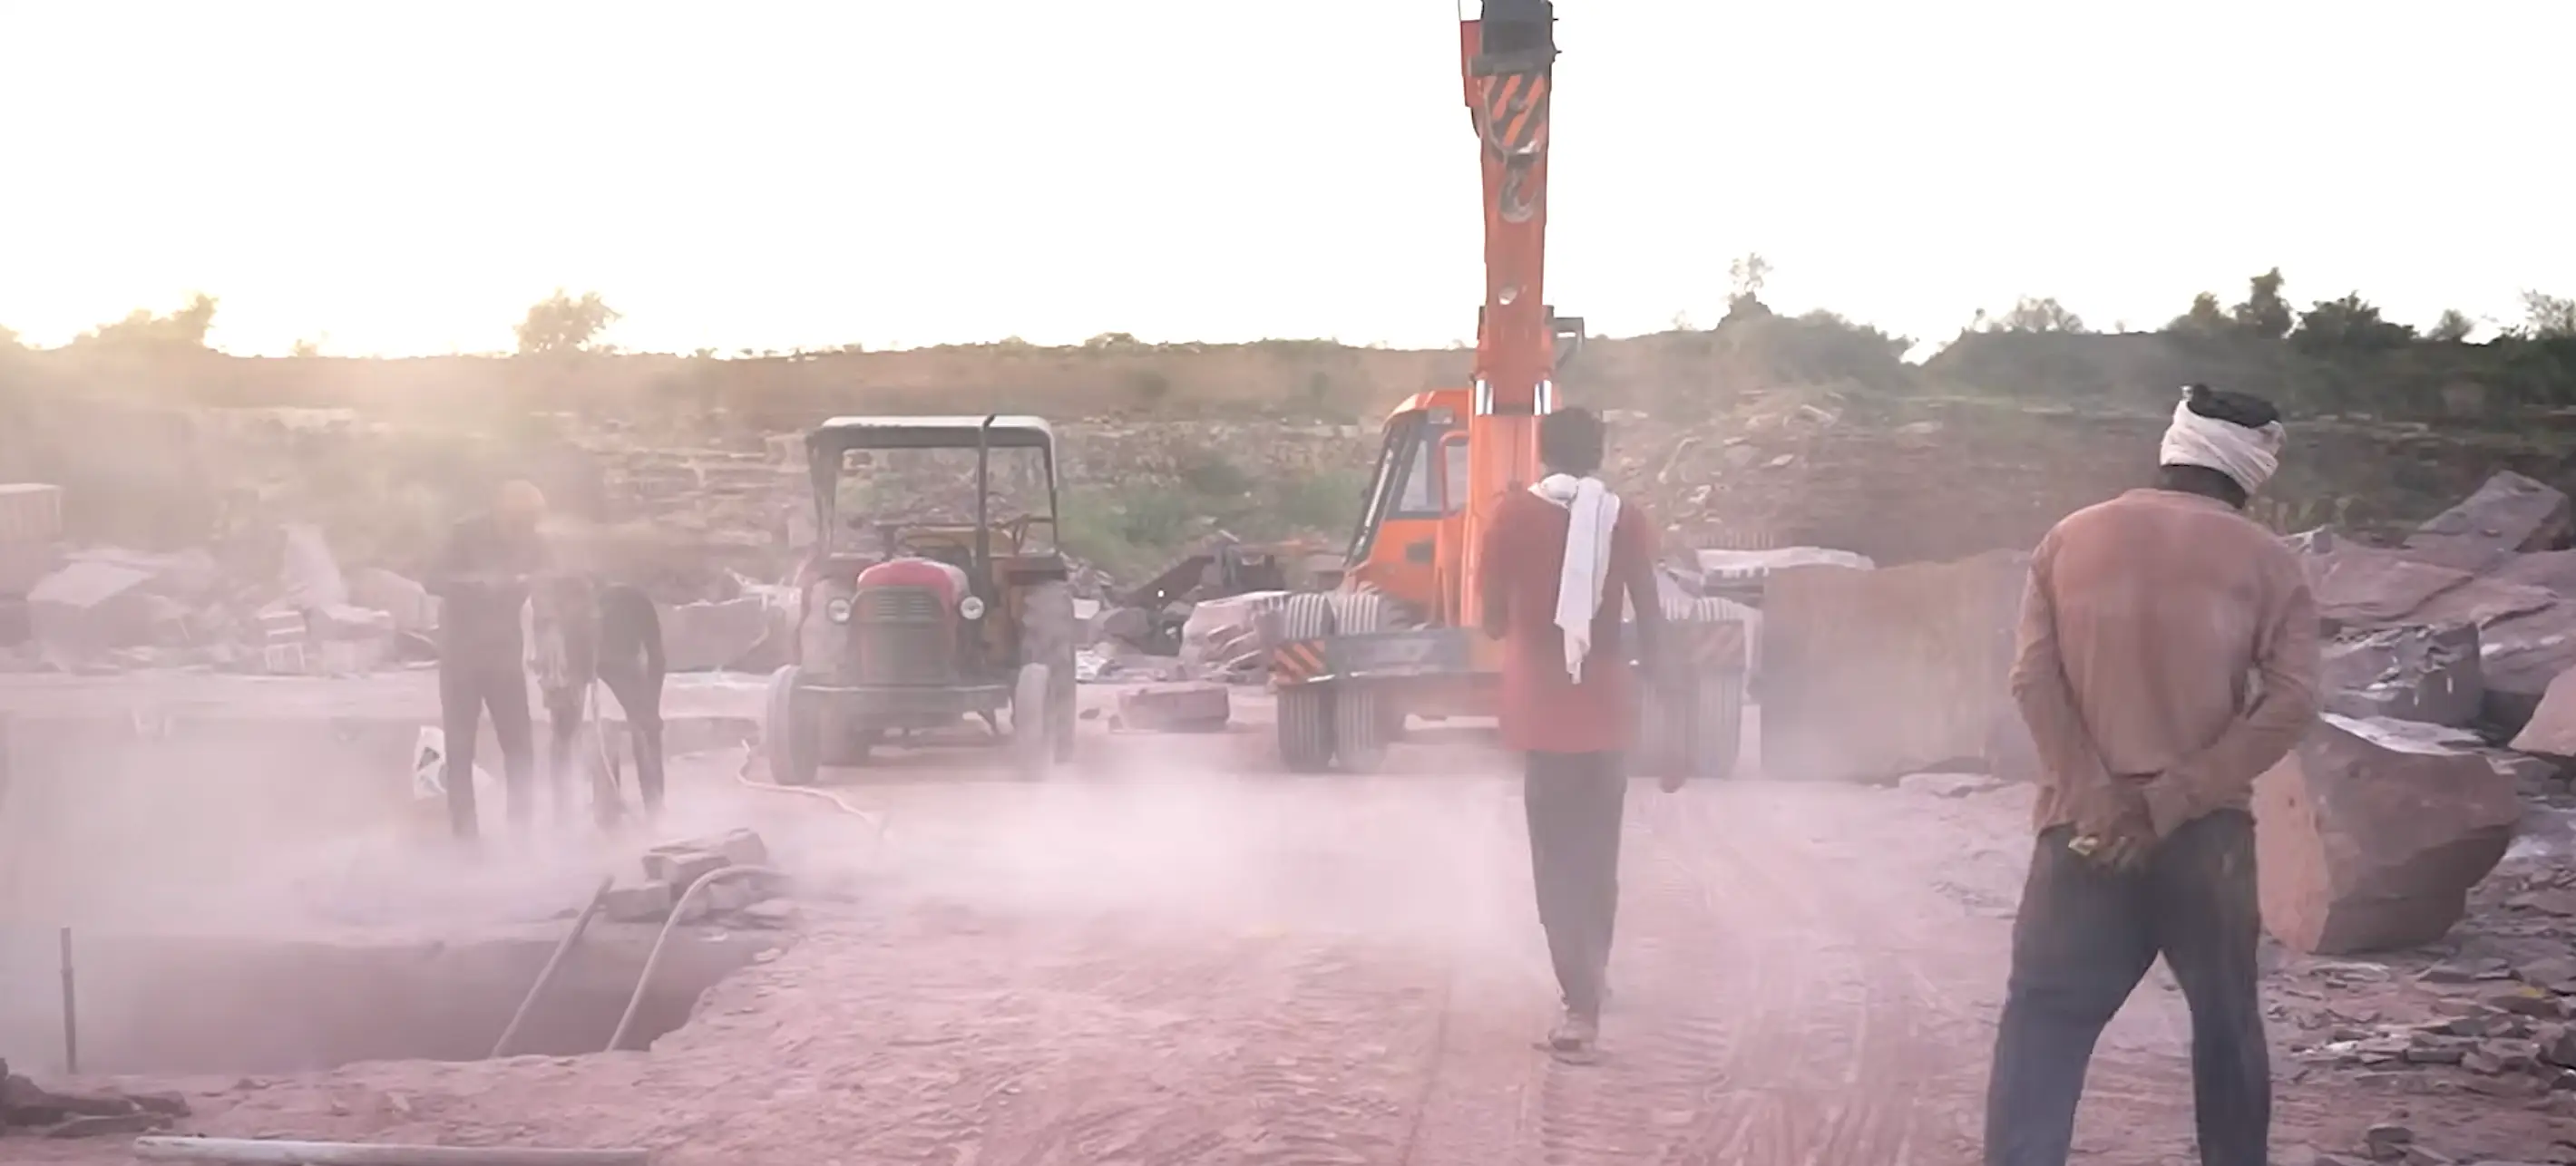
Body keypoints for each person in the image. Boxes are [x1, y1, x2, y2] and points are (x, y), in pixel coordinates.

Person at [1985, 384, 2321, 1166]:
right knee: (2227, 1026)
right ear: (2254, 465)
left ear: (2176, 444)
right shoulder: (2269, 561)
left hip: (2084, 835)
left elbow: (2033, 682)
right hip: (2206, 840)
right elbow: (2294, 701)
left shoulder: (2070, 538)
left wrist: (2101, 800)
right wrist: (2173, 801)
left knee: (2044, 1025)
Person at [1475, 405, 1675, 1062]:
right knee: (1598, 857)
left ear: (1541, 452)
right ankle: (1593, 978)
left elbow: (1494, 620)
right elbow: (1652, 616)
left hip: (1544, 710)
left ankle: (1579, 1007)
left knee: (1556, 863)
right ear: (1600, 453)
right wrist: (1674, 711)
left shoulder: (1510, 516)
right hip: (1610, 711)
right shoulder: (1624, 517)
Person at [426, 480, 553, 840]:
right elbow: (431, 580)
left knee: (520, 748)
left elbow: (555, 581)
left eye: (530, 523)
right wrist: (477, 583)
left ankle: (522, 833)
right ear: (500, 512)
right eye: (519, 523)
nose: (524, 532)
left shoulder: (535, 542)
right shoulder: (464, 534)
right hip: (461, 656)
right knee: (460, 749)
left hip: (504, 656)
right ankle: (466, 839)